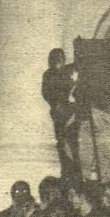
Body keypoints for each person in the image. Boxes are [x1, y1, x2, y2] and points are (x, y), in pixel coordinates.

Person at [41, 47, 82, 179]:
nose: (60, 60)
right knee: (62, 143)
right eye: (58, 57)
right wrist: (57, 103)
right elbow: (46, 92)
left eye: (62, 57)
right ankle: (66, 169)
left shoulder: (69, 71)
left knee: (73, 141)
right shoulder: (48, 74)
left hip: (71, 112)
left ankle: (76, 170)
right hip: (59, 113)